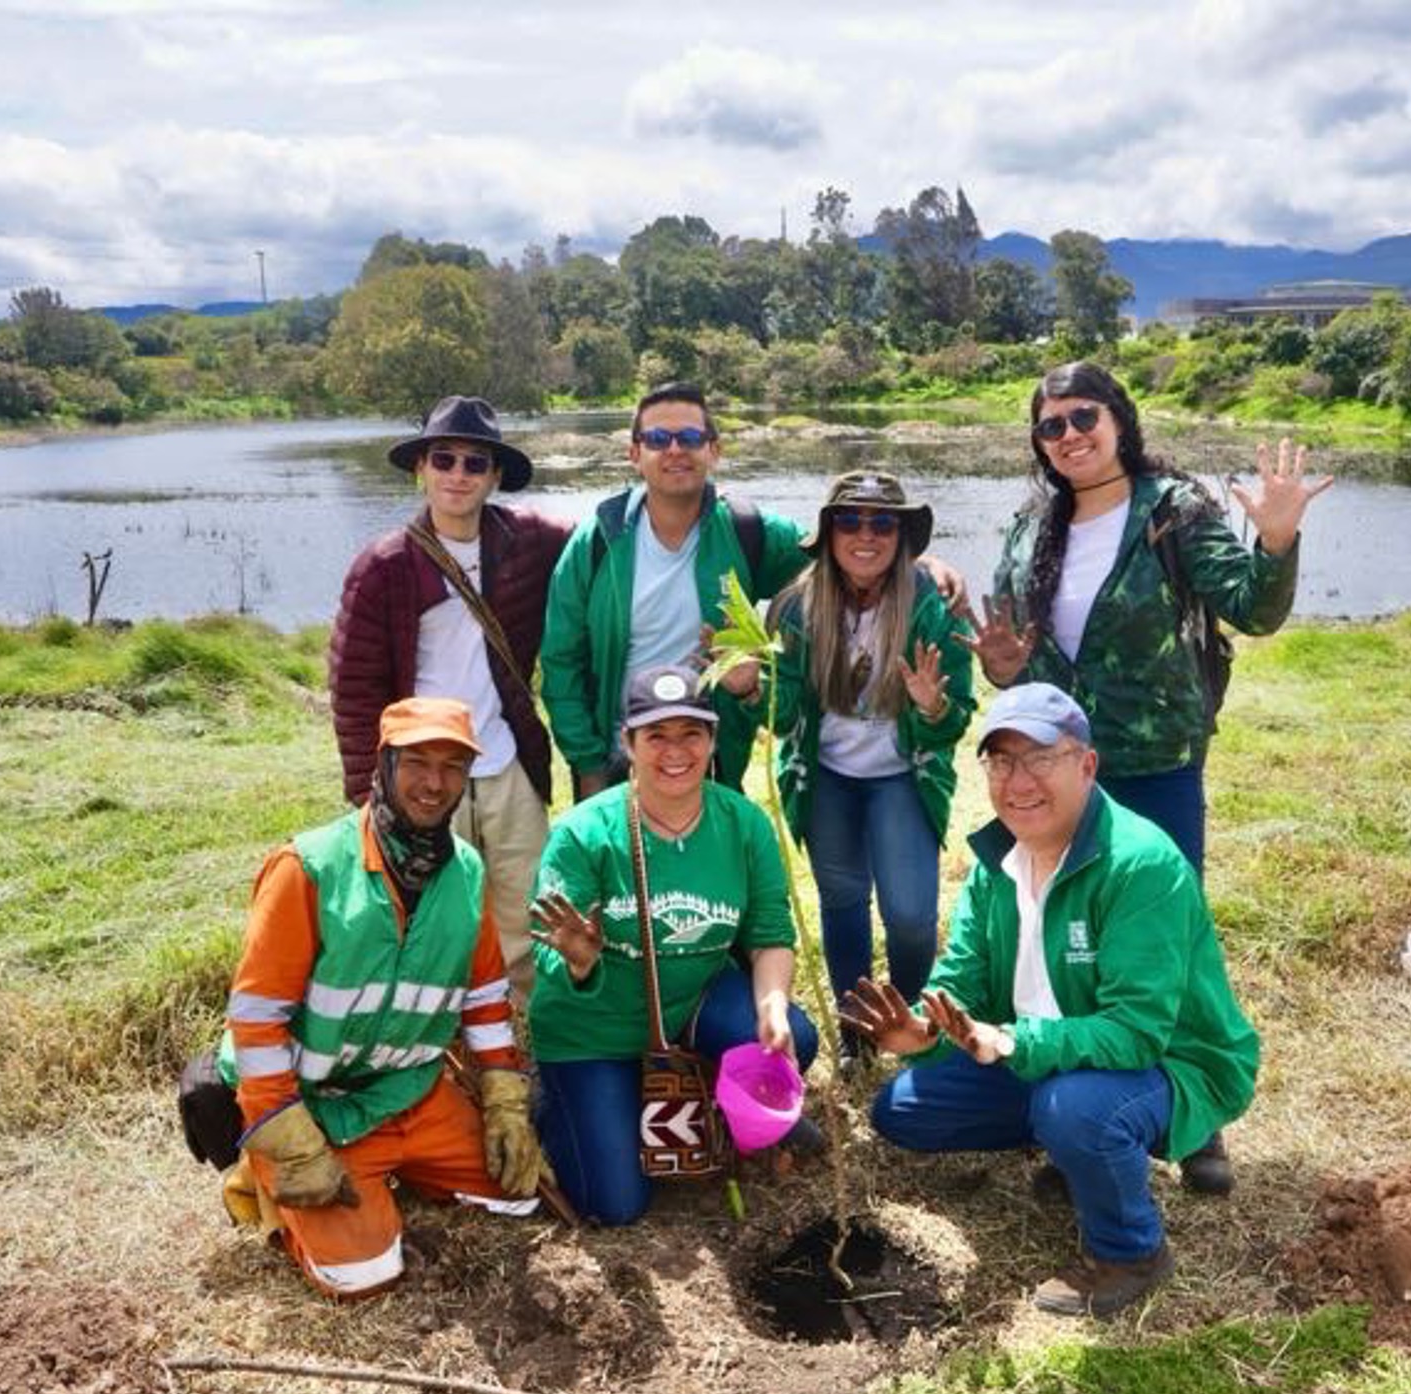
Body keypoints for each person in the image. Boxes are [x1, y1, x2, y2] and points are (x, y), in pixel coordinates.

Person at [843, 684, 1259, 1319]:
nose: (1019, 781)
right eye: (1001, 762)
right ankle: (1074, 1145)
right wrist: (922, 1032)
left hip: (1169, 1061)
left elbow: (1137, 1032)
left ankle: (1130, 1251)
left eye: (1040, 758)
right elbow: (960, 982)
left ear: (1086, 765)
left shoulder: (1139, 864)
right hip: (1046, 1053)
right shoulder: (996, 862)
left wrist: (1015, 1041)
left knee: (1076, 1110)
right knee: (903, 1110)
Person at [216, 697, 550, 1298]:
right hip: (314, 1103)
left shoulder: (468, 872)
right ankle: (261, 1175)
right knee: (360, 1275)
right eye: (417, 763)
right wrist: (289, 1139)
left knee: (521, 1196)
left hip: (409, 1091)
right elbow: (258, 1021)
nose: (434, 784)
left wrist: (504, 1101)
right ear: (385, 765)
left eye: (452, 767)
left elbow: (484, 999)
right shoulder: (309, 868)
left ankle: (397, 1170)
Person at [965, 361, 1332, 877]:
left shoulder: (1171, 511)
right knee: (1056, 914)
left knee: (1158, 909)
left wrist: (1275, 541)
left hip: (1154, 765)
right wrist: (1002, 669)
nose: (1069, 435)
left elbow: (1254, 612)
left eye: (1084, 417)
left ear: (1118, 420)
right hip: (1049, 768)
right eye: (1051, 426)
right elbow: (1018, 660)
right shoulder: (1030, 527)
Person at [540, 380, 966, 798]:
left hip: (711, 755)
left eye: (690, 437)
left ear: (714, 450)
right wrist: (588, 763)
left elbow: (840, 552)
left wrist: (917, 560)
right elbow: (561, 659)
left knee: (713, 846)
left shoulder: (746, 530)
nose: (674, 449)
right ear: (634, 453)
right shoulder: (599, 542)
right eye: (657, 439)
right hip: (621, 753)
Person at [525, 664, 821, 1225]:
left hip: (690, 1004)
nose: (675, 751)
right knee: (615, 1205)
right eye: (656, 735)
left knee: (792, 1040)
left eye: (691, 733)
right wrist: (581, 960)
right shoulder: (583, 834)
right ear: (628, 743)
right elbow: (547, 945)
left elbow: (769, 934)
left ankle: (700, 1090)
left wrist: (772, 1007)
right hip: (593, 1030)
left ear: (713, 739)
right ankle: (562, 1102)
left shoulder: (743, 823)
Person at [330, 394, 570, 1002]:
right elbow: (354, 691)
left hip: (507, 762)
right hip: (425, 768)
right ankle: (441, 1031)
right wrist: (369, 791)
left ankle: (525, 1030)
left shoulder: (529, 542)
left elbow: (605, 541)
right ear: (421, 468)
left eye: (474, 463)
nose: (458, 475)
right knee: (433, 912)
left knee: (528, 909)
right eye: (443, 459)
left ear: (494, 476)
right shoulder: (384, 566)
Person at [768, 470, 975, 1035]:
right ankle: (856, 1028)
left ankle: (901, 1020)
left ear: (902, 536)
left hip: (903, 776)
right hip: (825, 776)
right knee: (842, 901)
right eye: (850, 521)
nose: (866, 534)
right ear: (828, 532)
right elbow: (782, 718)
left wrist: (932, 708)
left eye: (884, 522)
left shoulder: (932, 605)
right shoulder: (796, 607)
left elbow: (955, 721)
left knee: (910, 916)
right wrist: (750, 689)